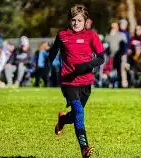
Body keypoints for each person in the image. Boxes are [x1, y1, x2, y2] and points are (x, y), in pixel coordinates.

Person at [49, 5, 105, 157]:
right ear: (69, 20)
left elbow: (101, 58)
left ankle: (63, 118)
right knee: (80, 112)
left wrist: (86, 66)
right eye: (73, 20)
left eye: (79, 20)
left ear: (85, 21)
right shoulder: (62, 35)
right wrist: (47, 66)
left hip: (86, 82)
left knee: (74, 116)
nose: (76, 23)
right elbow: (52, 53)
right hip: (68, 82)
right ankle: (85, 149)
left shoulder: (92, 36)